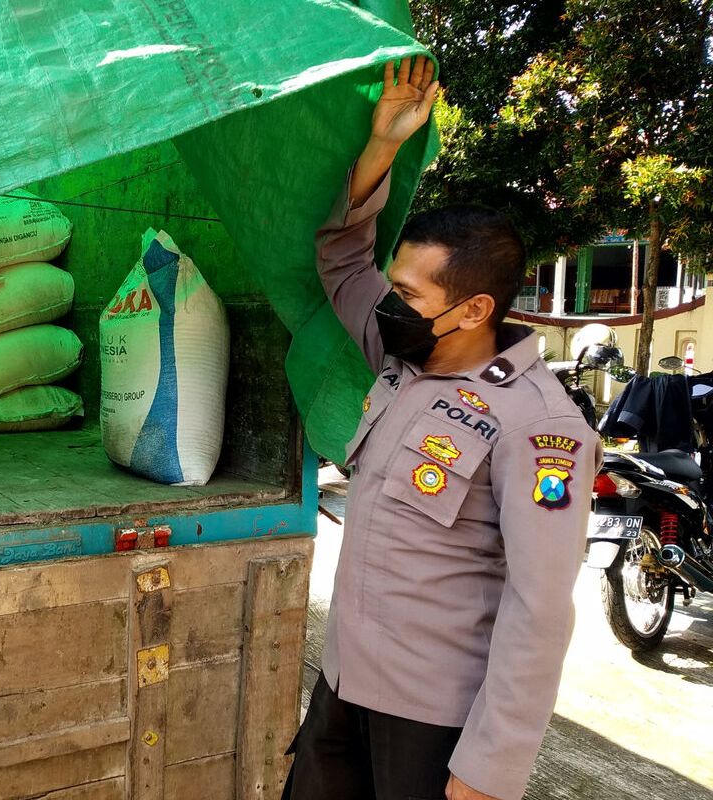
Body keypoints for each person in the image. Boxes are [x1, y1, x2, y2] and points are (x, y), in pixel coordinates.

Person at [283, 56, 601, 800]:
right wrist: (383, 146)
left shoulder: (539, 428)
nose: (387, 303)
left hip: (431, 723)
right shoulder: (402, 357)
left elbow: (539, 608)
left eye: (407, 293)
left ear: (474, 310)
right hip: (344, 686)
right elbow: (342, 256)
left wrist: (490, 767)